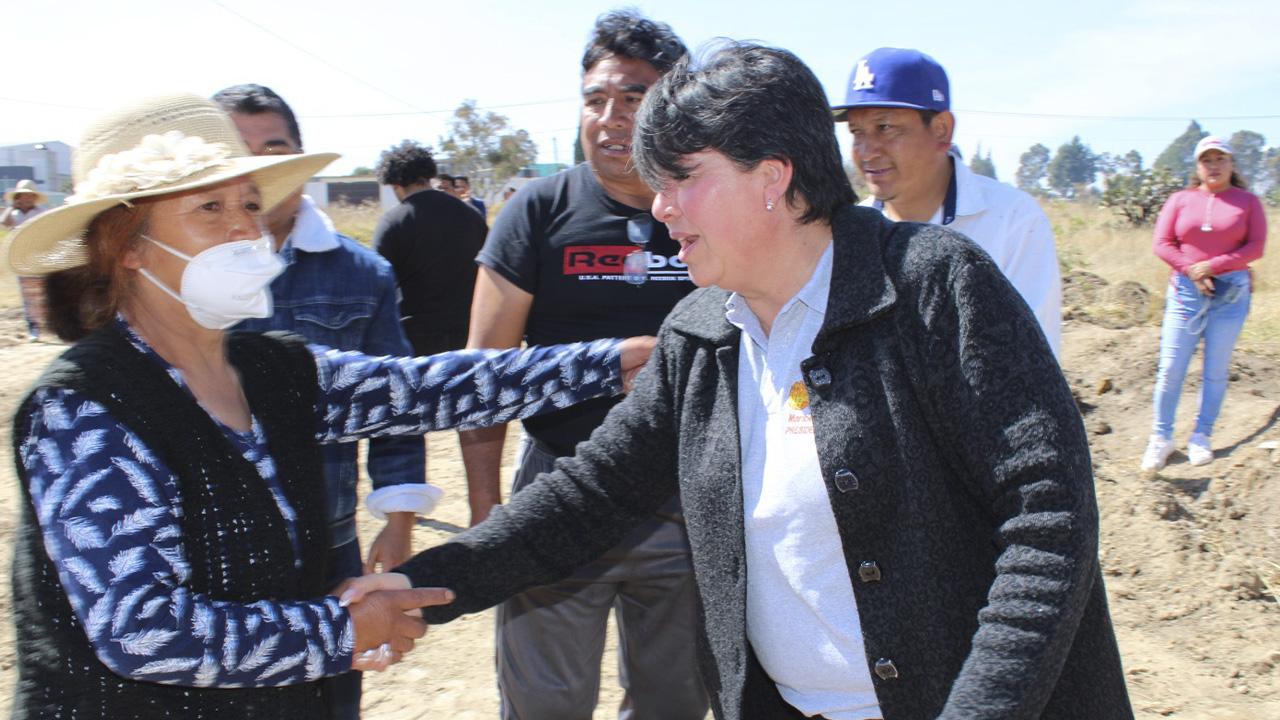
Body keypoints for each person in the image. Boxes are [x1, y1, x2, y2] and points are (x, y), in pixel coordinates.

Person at [350, 41, 1133, 720]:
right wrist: (422, 583)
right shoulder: (701, 334)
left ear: (773, 177)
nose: (661, 209)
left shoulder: (934, 287)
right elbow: (586, 498)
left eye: (682, 178)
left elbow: (1049, 523)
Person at [5, 92, 651, 718]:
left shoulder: (271, 370)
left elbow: (432, 388)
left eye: (252, 204)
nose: (245, 229)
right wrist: (335, 630)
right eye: (209, 207)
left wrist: (611, 363)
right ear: (127, 244)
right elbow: (140, 628)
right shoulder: (83, 408)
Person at [456, 9, 708, 720]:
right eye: (596, 99)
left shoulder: (712, 210)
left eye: (632, 97)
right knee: (543, 708)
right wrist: (487, 514)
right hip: (558, 494)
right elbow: (485, 372)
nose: (610, 117)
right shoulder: (536, 212)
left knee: (675, 706)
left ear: (675, 104)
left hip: (686, 508)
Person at [212, 83, 439, 720]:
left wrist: (398, 521)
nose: (256, 168)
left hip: (326, 538)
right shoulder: (177, 274)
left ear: (300, 160)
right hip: (205, 541)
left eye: (273, 149)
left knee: (330, 697)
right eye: (236, 151)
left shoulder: (360, 275)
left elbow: (396, 404)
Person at [831, 47, 1062, 357]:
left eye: (885, 128)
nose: (866, 150)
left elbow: (1032, 364)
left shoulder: (1012, 221)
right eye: (857, 132)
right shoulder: (848, 235)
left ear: (942, 130)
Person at [1141, 136, 1266, 472]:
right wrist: (1192, 270)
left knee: (1215, 371)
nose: (1214, 165)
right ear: (1198, 166)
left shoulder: (1248, 202)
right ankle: (1161, 437)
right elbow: (1162, 243)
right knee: (1170, 369)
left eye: (1220, 159)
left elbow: (1255, 248)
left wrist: (1213, 266)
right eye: (1206, 159)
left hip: (1231, 294)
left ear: (1231, 164)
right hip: (1185, 292)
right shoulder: (1180, 200)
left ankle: (1201, 436)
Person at [373, 140, 488, 356]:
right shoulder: (471, 215)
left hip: (415, 340)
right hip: (470, 333)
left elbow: (376, 284)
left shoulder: (392, 222)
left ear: (395, 184)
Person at [3, 179, 51, 338]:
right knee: (27, 294)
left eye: (31, 196)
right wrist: (11, 208)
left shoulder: (40, 212)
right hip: (20, 257)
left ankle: (45, 322)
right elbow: (3, 224)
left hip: (36, 255)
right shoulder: (13, 214)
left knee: (41, 291)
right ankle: (34, 328)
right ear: (18, 198)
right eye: (25, 196)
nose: (28, 199)